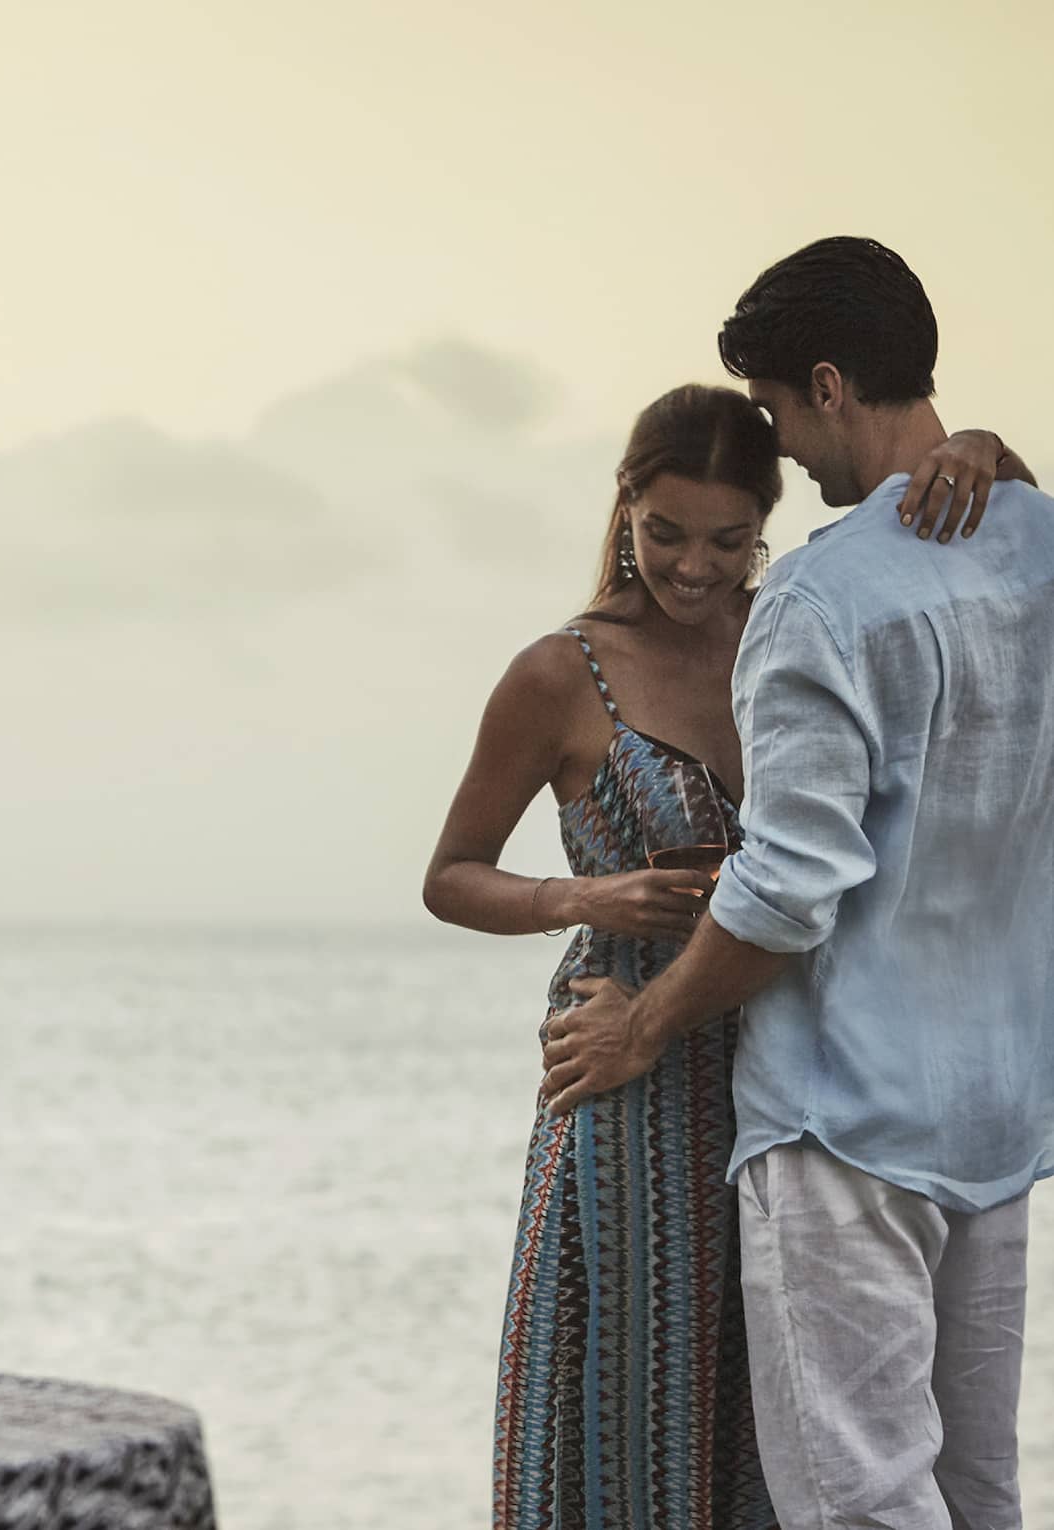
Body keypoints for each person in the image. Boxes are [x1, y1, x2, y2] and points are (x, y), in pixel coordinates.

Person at [424, 368, 1017, 1528]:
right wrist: (583, 894)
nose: (695, 567)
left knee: (805, 1430)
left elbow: (974, 549)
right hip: (631, 1086)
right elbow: (451, 876)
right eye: (665, 535)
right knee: (632, 1413)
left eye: (729, 541)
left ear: (766, 528)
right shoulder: (561, 672)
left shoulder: (806, 623)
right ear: (624, 507)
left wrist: (986, 450)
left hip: (804, 1073)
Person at [547, 236, 1049, 1530]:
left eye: (775, 411)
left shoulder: (822, 594)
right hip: (995, 1117)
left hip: (843, 1124)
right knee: (974, 1489)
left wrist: (641, 1027)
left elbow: (790, 888)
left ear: (827, 383)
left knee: (854, 1504)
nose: (785, 450)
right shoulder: (1039, 546)